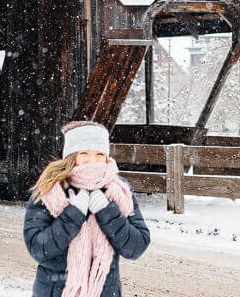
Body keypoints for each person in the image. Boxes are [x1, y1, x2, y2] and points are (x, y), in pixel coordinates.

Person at [24, 120, 150, 297]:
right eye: (84, 153)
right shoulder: (51, 189)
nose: (93, 161)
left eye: (99, 154)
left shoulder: (118, 190)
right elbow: (38, 248)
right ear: (71, 156)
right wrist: (74, 213)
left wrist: (107, 211)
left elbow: (136, 246)